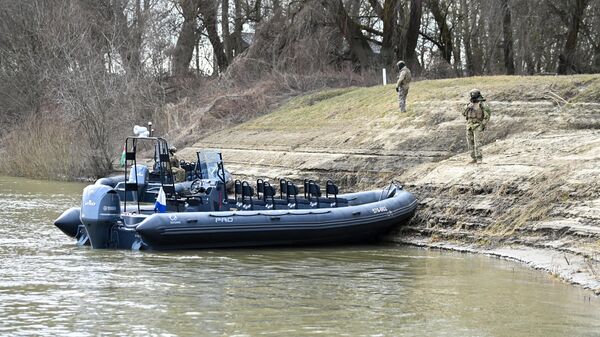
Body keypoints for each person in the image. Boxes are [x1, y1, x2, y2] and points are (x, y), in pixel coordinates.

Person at [463, 89, 491, 164]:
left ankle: (479, 158)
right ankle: (473, 158)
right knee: (470, 142)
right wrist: (468, 107)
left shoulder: (483, 104)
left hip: (478, 125)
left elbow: (487, 116)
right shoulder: (469, 104)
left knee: (477, 142)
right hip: (469, 125)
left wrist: (482, 125)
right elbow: (463, 113)